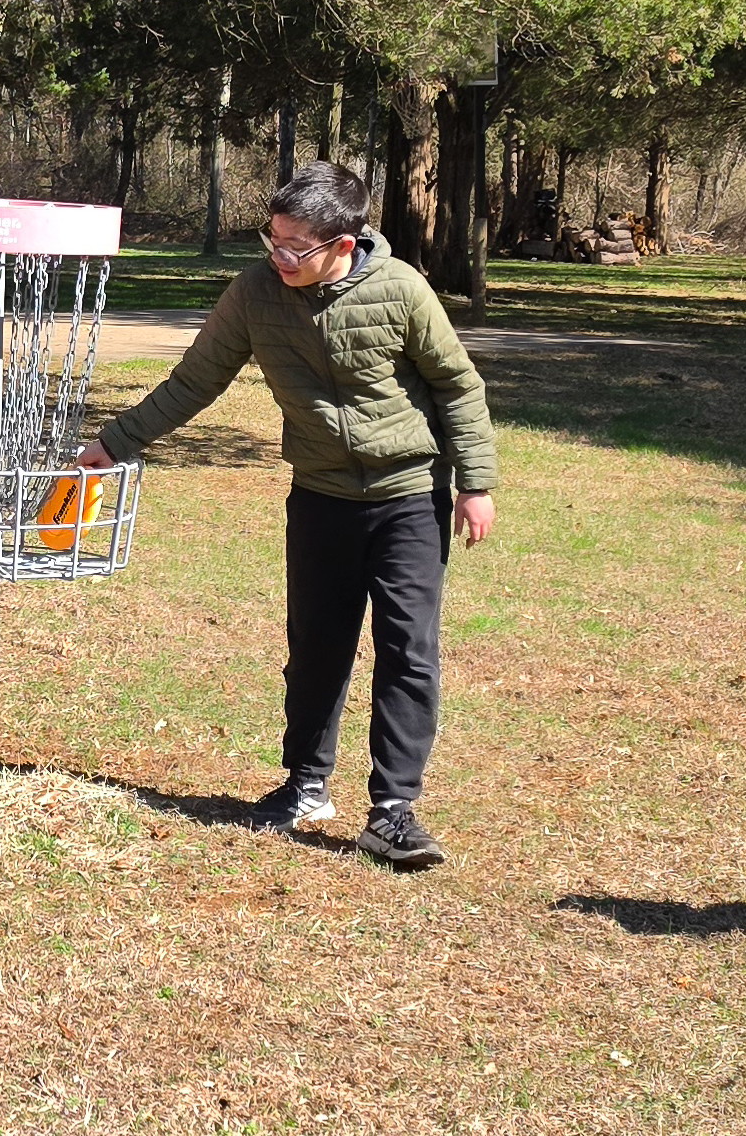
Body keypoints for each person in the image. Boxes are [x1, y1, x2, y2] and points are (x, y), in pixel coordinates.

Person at [79, 161, 497, 868]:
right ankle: (305, 786)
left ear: (343, 244)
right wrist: (117, 442)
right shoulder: (255, 292)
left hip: (407, 495)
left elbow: (457, 386)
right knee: (316, 648)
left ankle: (393, 812)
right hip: (321, 496)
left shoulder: (401, 289)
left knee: (407, 651)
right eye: (272, 240)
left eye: (296, 246)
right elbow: (196, 379)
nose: (279, 256)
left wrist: (475, 483)